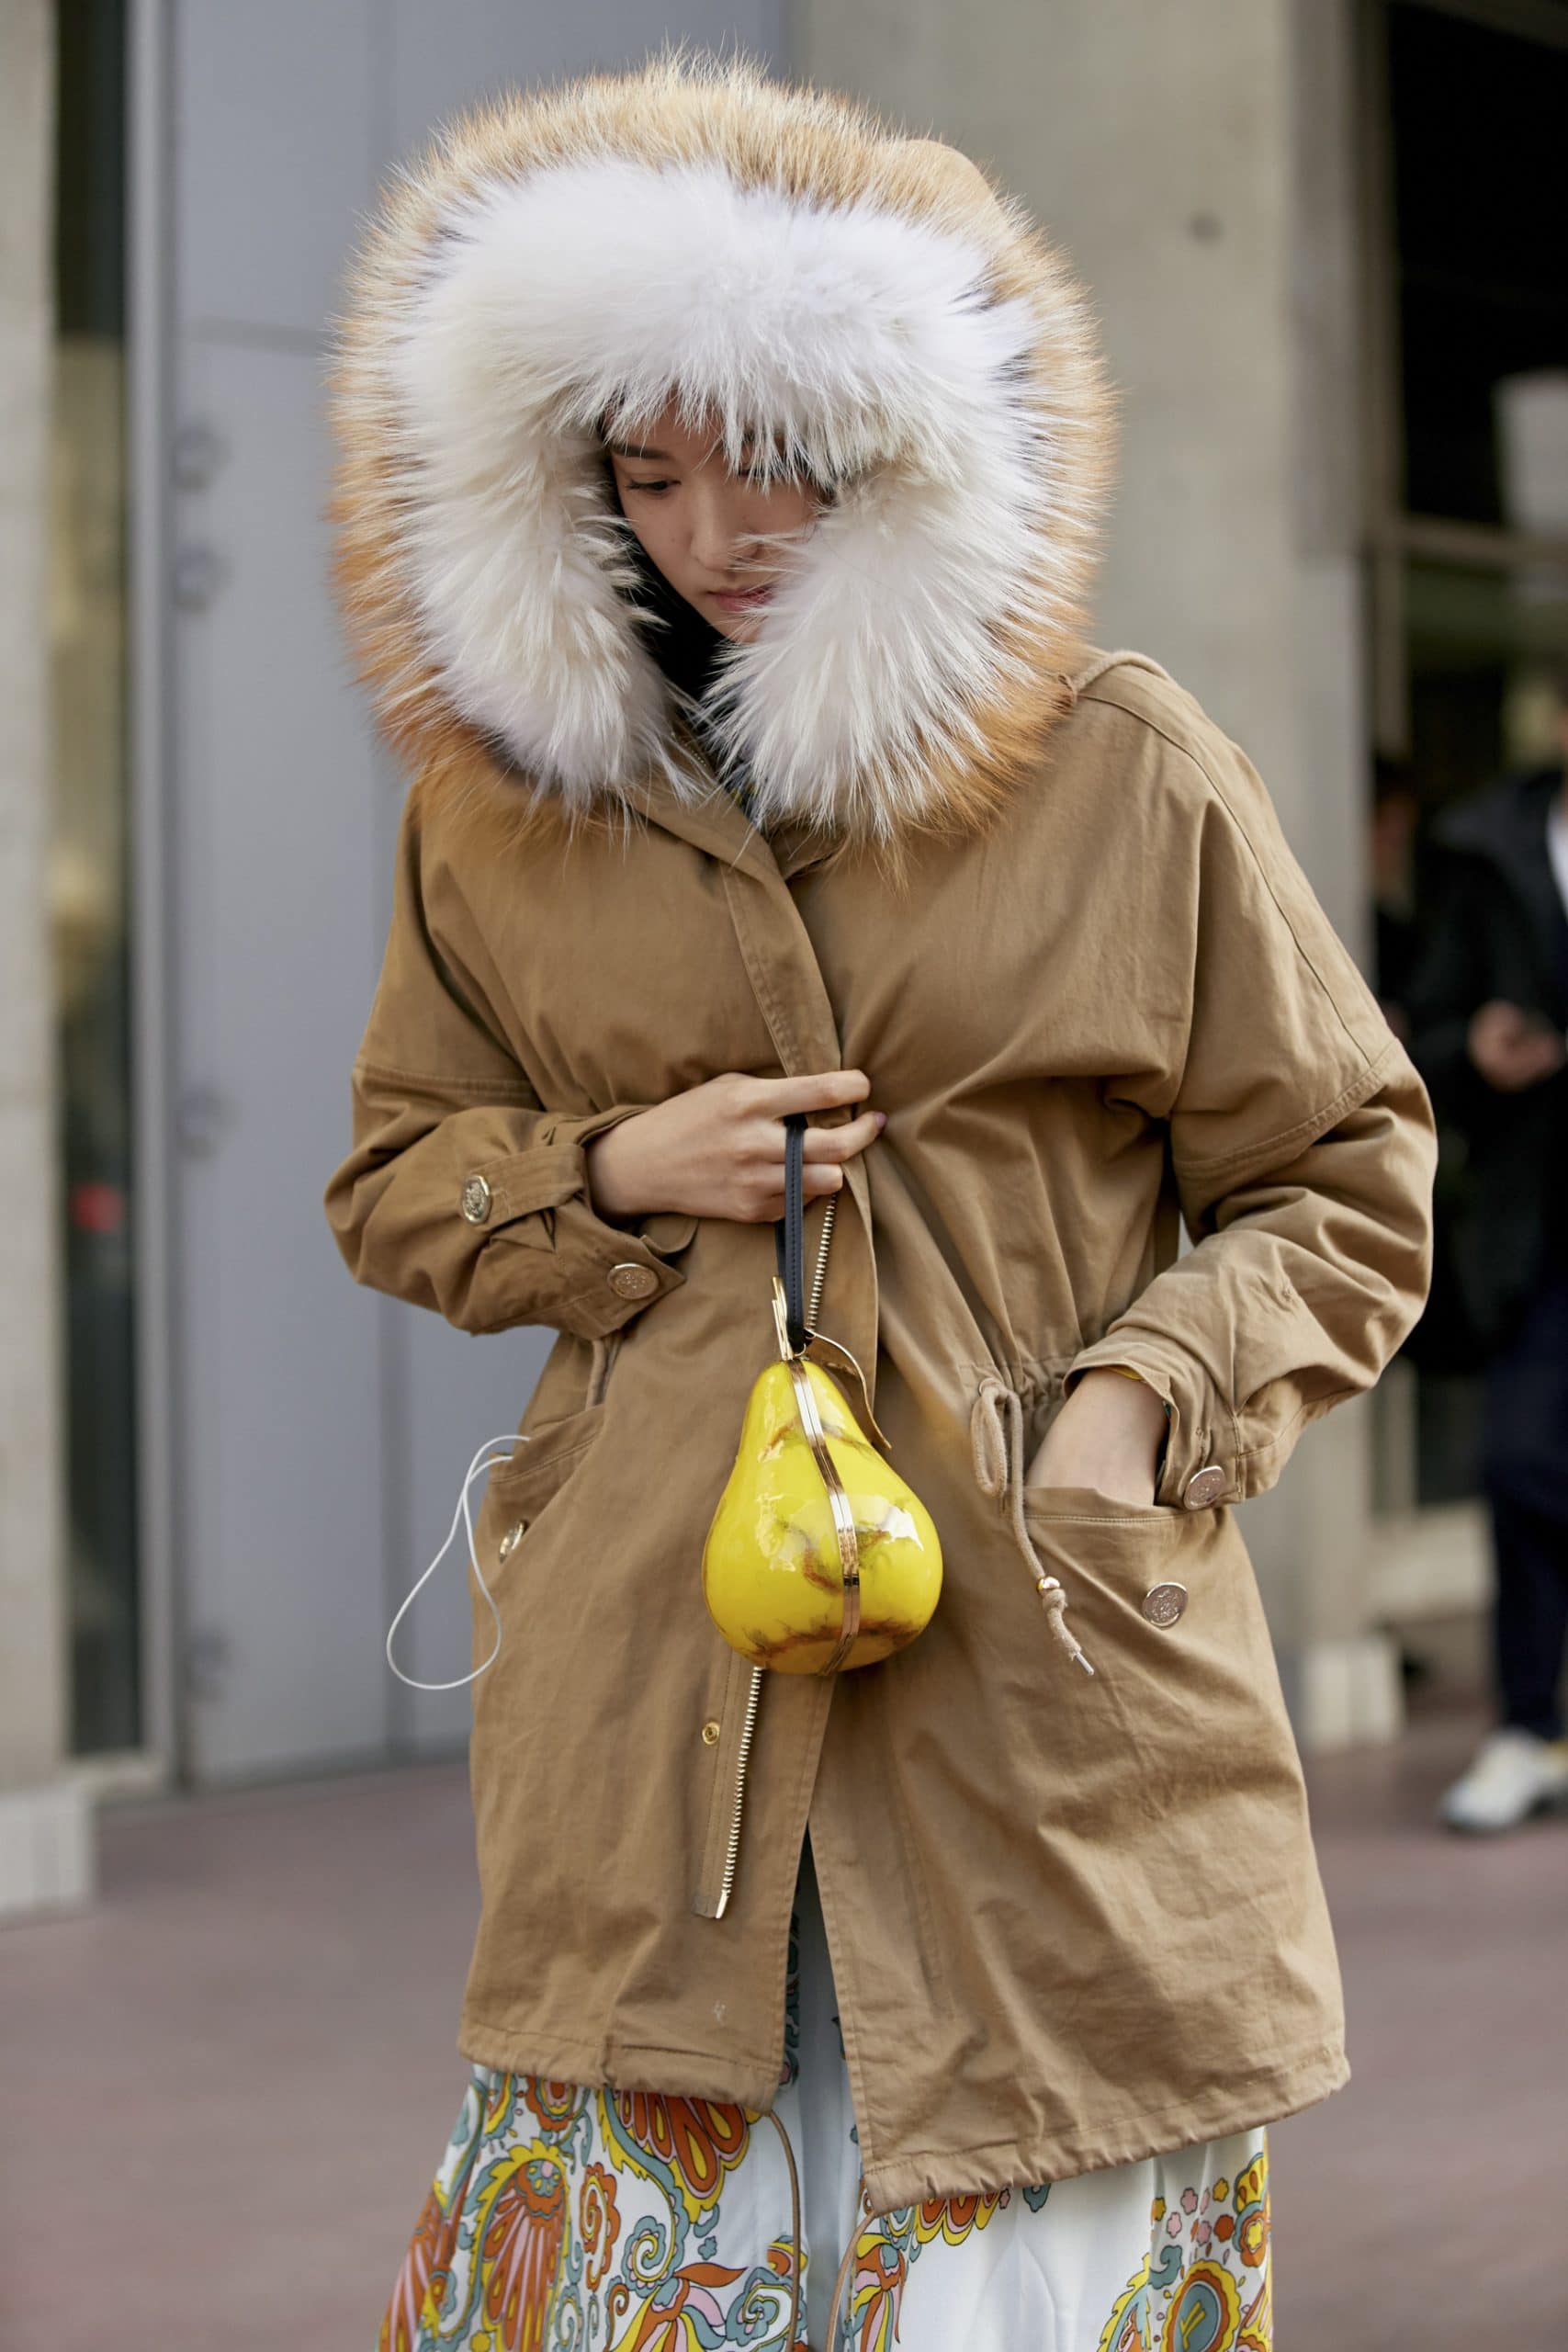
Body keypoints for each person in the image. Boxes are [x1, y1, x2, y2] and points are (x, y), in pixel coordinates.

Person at [321, 54, 1437, 2350]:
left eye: (766, 461)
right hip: (649, 1712)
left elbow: (1343, 1172)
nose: (706, 528)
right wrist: (614, 1165)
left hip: (1040, 1700)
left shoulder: (1114, 766)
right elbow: (393, 1174)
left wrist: (1134, 1407)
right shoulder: (499, 820)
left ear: (893, 450)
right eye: (640, 470)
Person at [1403, 664, 1568, 1834]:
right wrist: (1480, 1053)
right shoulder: (1488, 847)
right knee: (1520, 1466)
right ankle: (1528, 1723)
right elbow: (1422, 1026)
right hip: (1536, 1215)